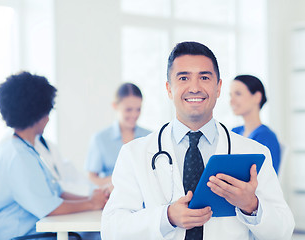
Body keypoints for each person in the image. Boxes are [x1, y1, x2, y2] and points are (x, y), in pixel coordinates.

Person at [101, 41, 294, 239]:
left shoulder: (254, 151)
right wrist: (166, 217)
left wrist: (251, 205)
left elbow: (283, 231)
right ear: (169, 89)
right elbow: (111, 229)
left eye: (204, 77)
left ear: (218, 88)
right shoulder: (135, 153)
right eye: (184, 78)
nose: (194, 87)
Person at [0, 72, 107, 240]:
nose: (48, 118)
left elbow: (56, 193)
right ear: (39, 115)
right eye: (48, 112)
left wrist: (94, 199)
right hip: (22, 236)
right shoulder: (18, 156)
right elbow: (49, 207)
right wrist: (92, 203)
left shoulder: (25, 149)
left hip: (37, 232)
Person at [85, 83, 151, 189]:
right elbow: (91, 178)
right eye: (128, 110)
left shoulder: (150, 137)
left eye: (138, 109)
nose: (134, 115)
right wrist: (119, 180)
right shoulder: (100, 139)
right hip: (112, 198)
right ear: (115, 106)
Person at [230, 75, 281, 174]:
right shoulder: (234, 132)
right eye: (230, 95)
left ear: (257, 97)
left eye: (238, 94)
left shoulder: (267, 137)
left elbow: (268, 177)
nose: (231, 101)